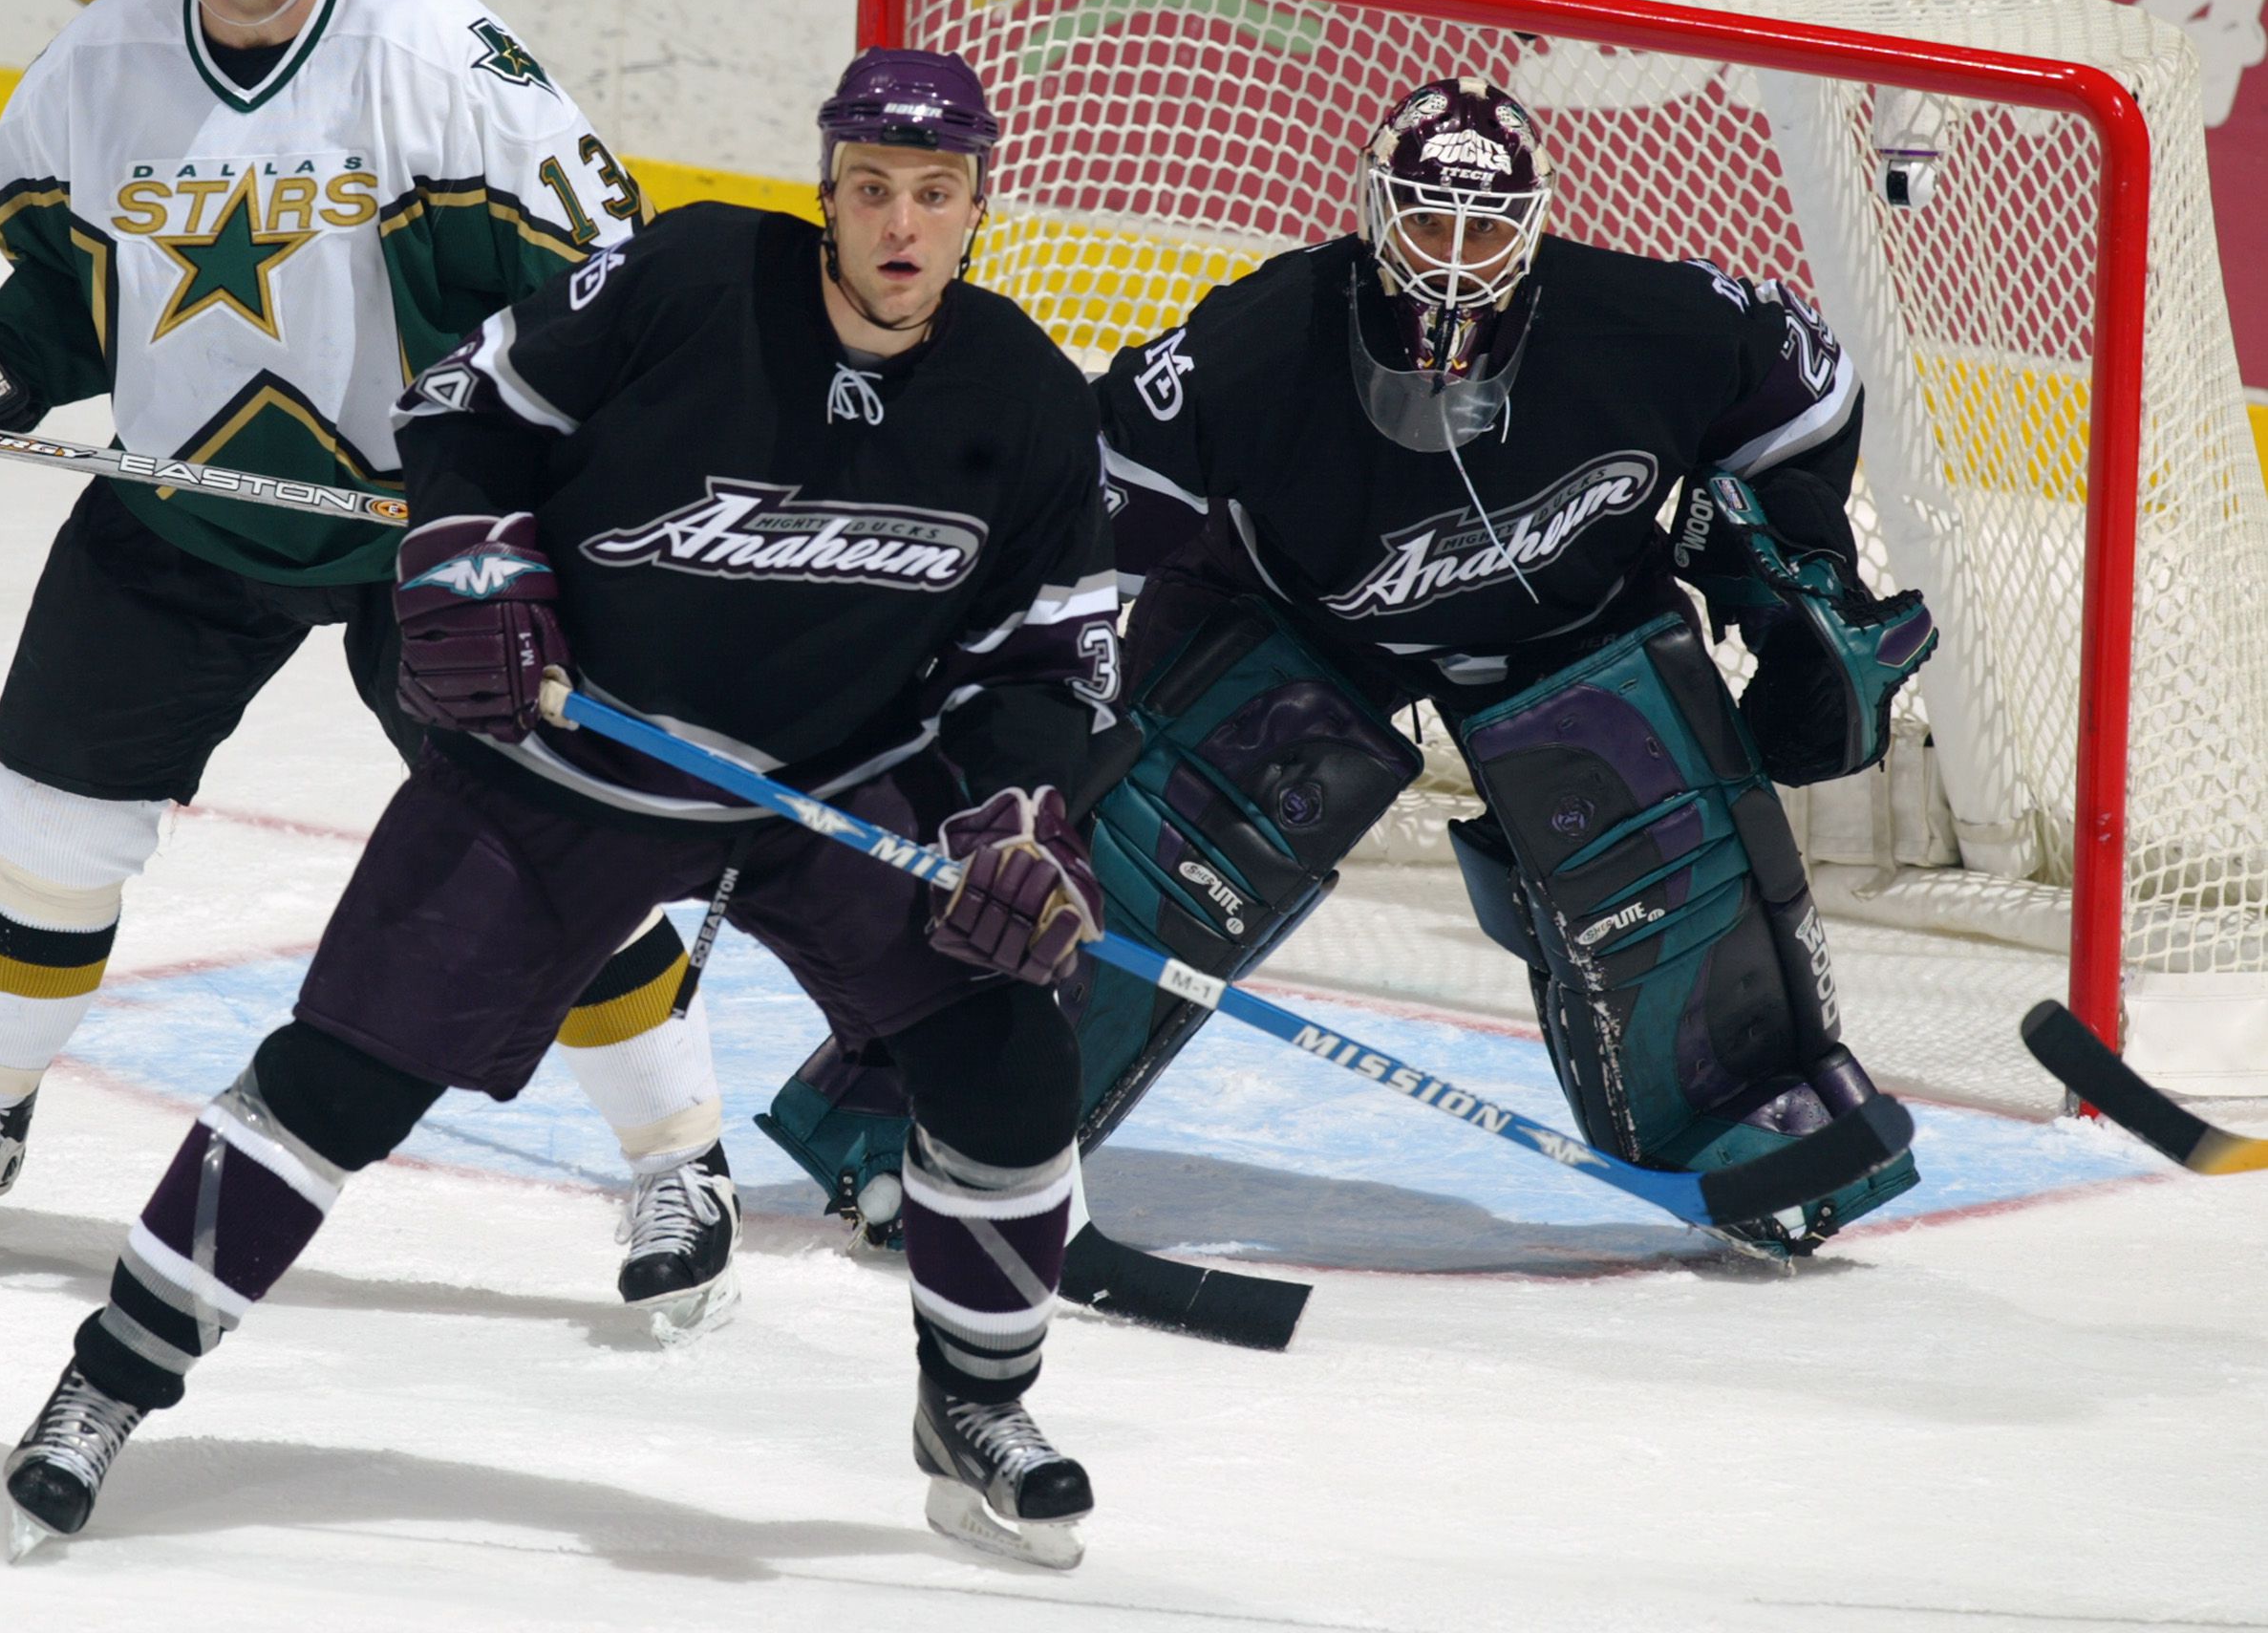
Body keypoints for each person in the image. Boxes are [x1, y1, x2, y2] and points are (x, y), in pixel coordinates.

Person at [0, 50, 1123, 1571]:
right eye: (869, 189)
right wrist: (468, 550)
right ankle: (104, 1389)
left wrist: (1011, 813)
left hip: (826, 788)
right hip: (560, 769)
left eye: (932, 195)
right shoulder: (692, 277)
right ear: (827, 189)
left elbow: (1048, 657)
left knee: (1005, 1054)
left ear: (977, 207)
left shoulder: (1027, 401)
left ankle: (975, 1406)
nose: (898, 226)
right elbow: (464, 408)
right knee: (335, 1084)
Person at [0, 0, 735, 1324]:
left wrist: (544, 505)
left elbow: (600, 299)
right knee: (49, 826)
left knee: (547, 847)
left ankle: (680, 1152)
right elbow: (63, 309)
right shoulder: (99, 67)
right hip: (181, 509)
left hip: (422, 532)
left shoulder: (436, 52)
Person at [761, 75, 1932, 1254]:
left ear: (1535, 232)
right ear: (1376, 213)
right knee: (1136, 851)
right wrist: (1014, 699)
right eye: (1428, 221)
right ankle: (929, 1111)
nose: (1455, 257)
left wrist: (1795, 558)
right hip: (1303, 622)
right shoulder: (1268, 336)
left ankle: (1756, 1122)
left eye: (1485, 229)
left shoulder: (1648, 319)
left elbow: (1810, 386)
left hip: (1571, 629)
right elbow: (1094, 488)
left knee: (1656, 849)